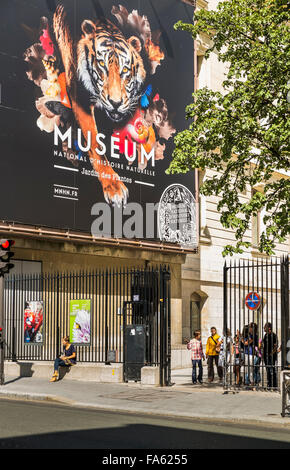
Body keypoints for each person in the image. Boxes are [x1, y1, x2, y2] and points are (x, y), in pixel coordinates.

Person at [263, 322, 279, 388]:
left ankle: (274, 385)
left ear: (269, 328)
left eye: (265, 327)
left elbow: (275, 346)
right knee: (268, 370)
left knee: (272, 370)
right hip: (265, 355)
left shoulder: (273, 335)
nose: (264, 328)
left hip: (271, 356)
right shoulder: (265, 335)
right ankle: (269, 384)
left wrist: (271, 353)